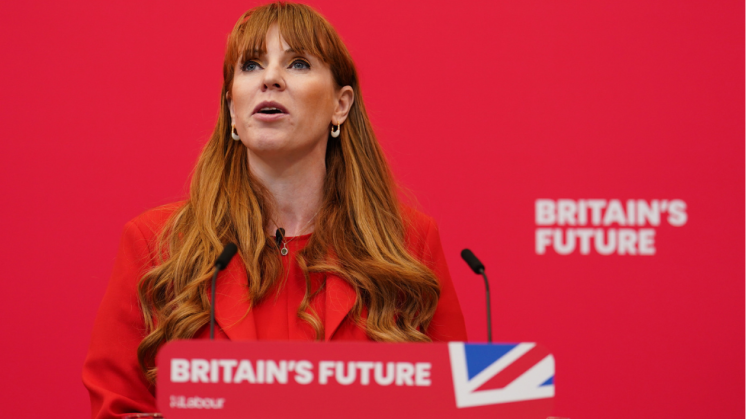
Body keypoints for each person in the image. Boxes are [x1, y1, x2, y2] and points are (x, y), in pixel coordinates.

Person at [82, 2, 467, 418]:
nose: (270, 78)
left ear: (341, 105)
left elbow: (453, 402)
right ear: (232, 108)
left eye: (298, 63)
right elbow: (118, 407)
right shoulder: (156, 244)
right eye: (251, 65)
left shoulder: (408, 242)